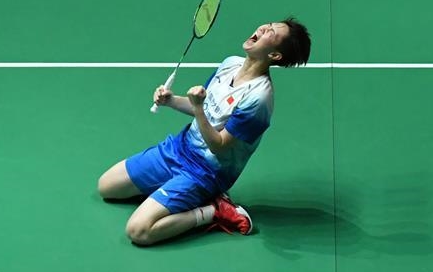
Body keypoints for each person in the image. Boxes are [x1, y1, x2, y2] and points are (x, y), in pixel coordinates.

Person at [97, 18, 312, 245]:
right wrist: (171, 100)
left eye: (271, 32)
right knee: (106, 186)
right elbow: (205, 110)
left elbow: (219, 145)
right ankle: (169, 193)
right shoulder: (230, 64)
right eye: (267, 24)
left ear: (275, 55)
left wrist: (198, 107)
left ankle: (214, 210)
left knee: (139, 231)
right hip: (178, 148)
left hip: (204, 173)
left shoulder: (259, 99)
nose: (262, 28)